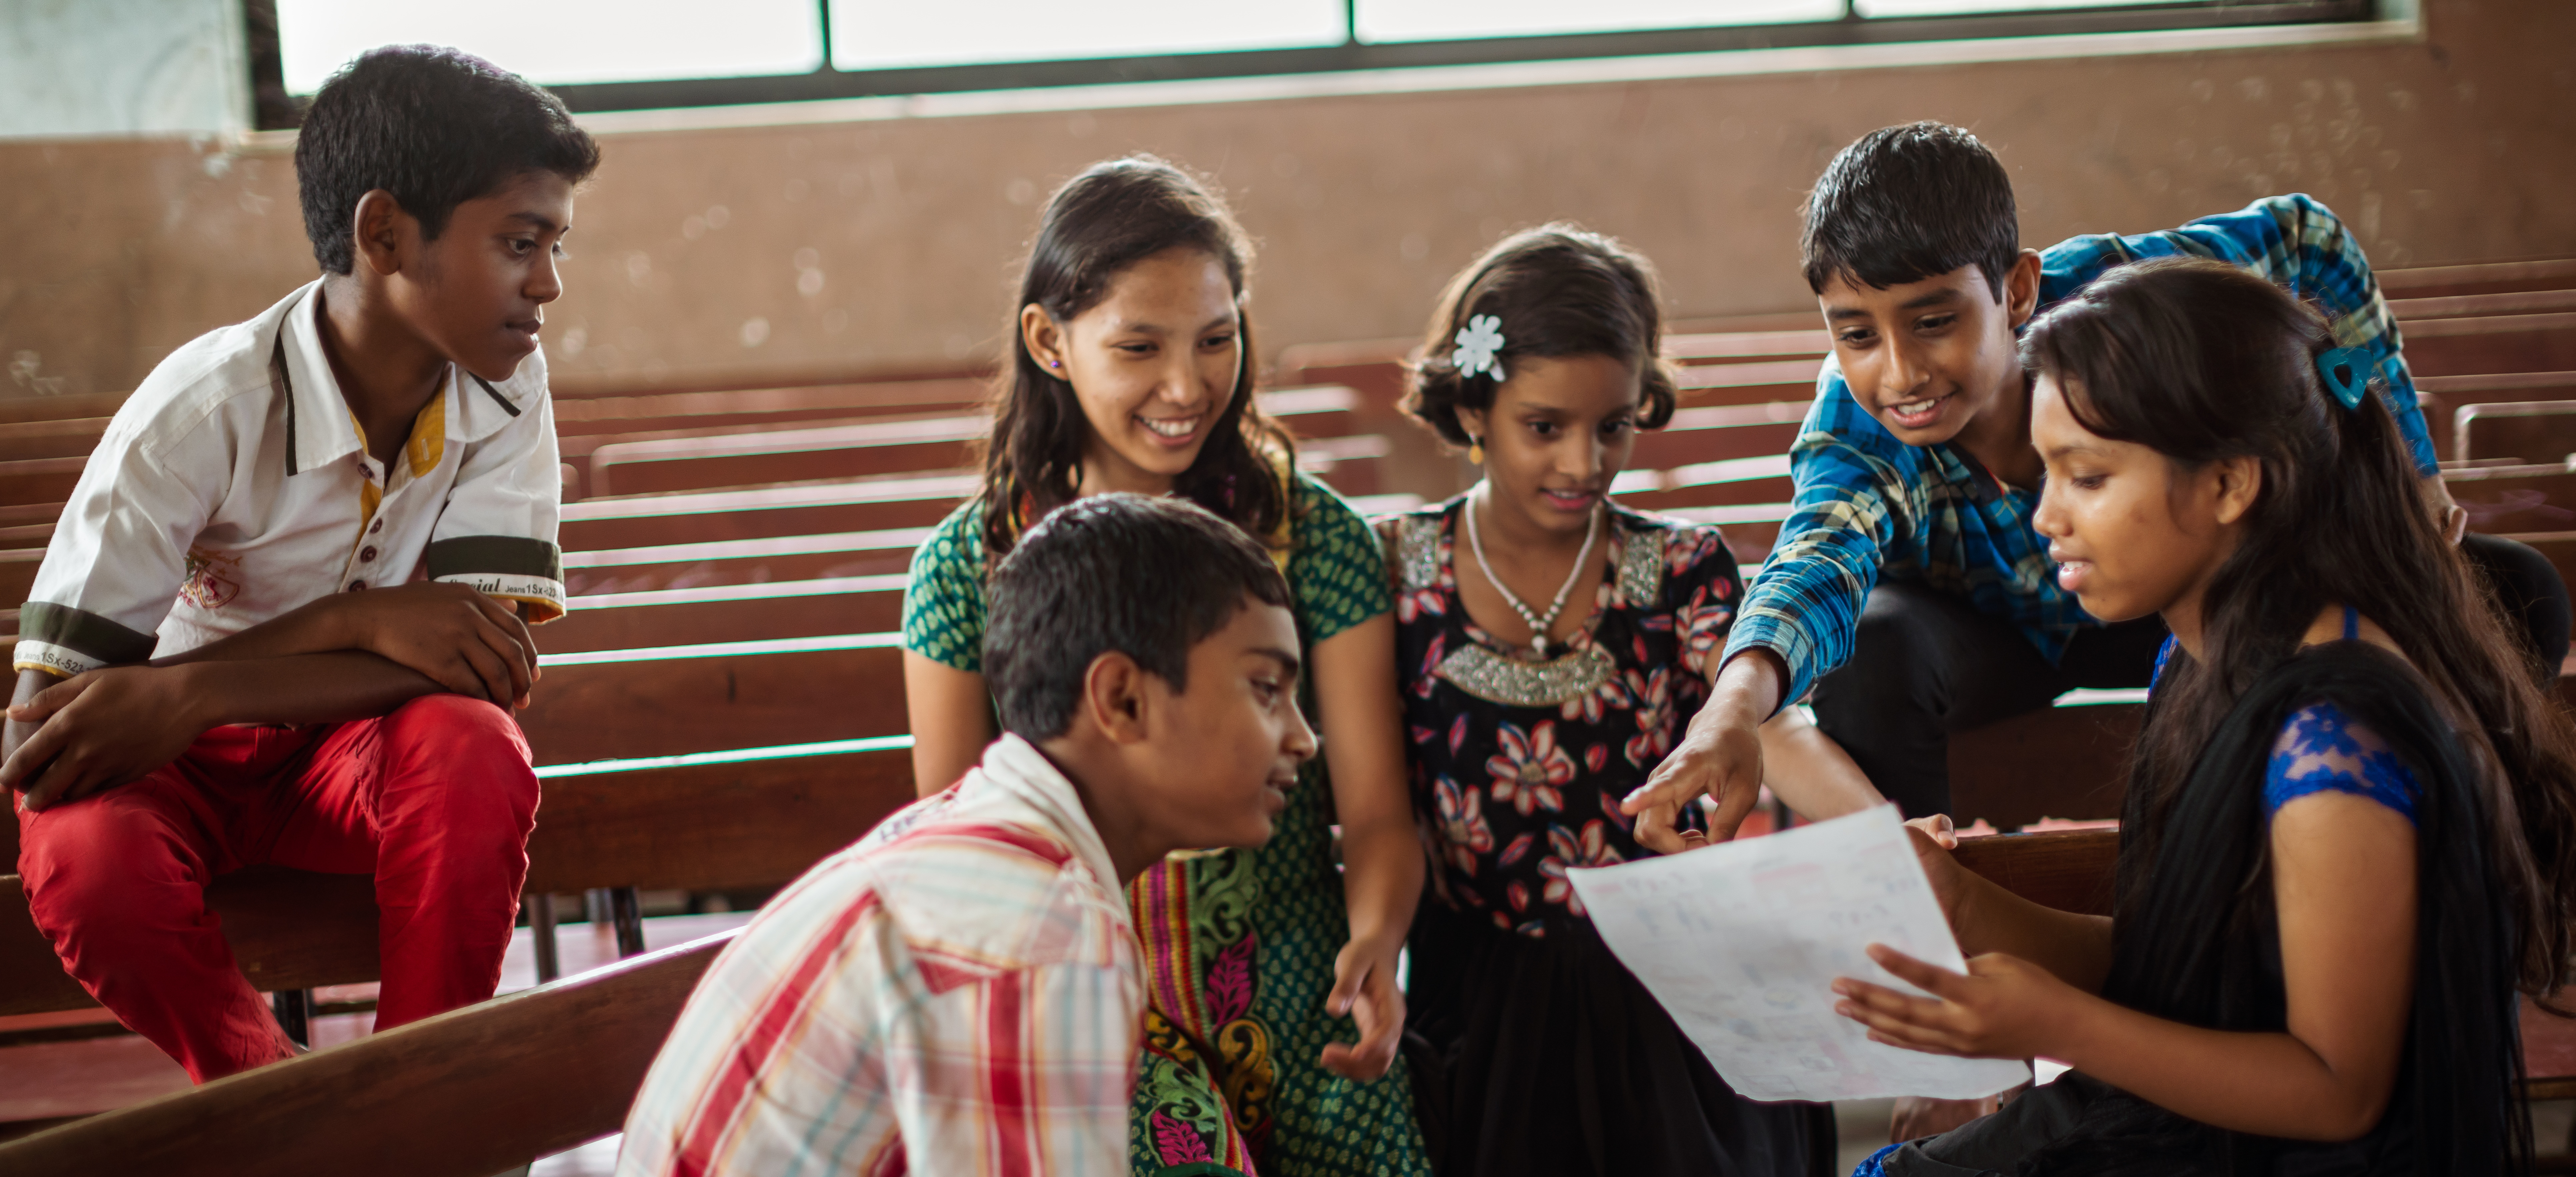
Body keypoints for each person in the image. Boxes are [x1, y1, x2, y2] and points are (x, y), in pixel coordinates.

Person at [1620, 121, 2568, 840]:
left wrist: (2413, 469)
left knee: (2510, 588)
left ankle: (2456, 866)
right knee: (1873, 642)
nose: (1900, 372)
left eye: (1935, 320)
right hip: (1993, 640)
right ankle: (1929, 916)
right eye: (1857, 334)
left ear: (2018, 290)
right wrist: (1730, 709)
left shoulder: (2118, 299)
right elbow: (1814, 561)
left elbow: (2307, 239)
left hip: (2165, 599)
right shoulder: (1855, 422)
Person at [1833, 257, 2575, 1174]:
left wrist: (2057, 1024)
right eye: (2045, 472)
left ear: (2229, 483)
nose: (2046, 516)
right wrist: (1963, 903)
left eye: (2087, 477)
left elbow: (2339, 1090)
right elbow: (2187, 970)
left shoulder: (2335, 743)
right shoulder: (2202, 658)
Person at [3, 46, 590, 1083]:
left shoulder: (506, 384)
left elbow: (482, 662)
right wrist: (350, 624)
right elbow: (40, 735)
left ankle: (424, 1093)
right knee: (80, 852)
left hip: (347, 750)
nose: (547, 284)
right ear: (384, 233)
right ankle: (283, 1101)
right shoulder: (204, 409)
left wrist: (196, 686)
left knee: (474, 746)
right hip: (174, 765)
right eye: (518, 243)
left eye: (555, 246)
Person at [899, 157, 1430, 1176]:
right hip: (1083, 1005)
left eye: (1217, 339)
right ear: (1049, 341)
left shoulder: (1314, 535)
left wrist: (1374, 942)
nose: (1188, 386)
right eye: (1140, 347)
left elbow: (1374, 812)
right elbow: (967, 856)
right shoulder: (966, 568)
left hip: (1300, 993)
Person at [1382, 225, 1884, 1175]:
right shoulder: (1397, 570)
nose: (1584, 462)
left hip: (1669, 975)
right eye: (1546, 427)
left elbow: (1770, 727)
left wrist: (1877, 831)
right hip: (1482, 992)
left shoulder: (1679, 565)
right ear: (1474, 407)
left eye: (1612, 426)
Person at [618, 494, 1317, 1176]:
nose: (1304, 738)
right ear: (1122, 699)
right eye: (1266, 688)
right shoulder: (1043, 933)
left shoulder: (989, 837)